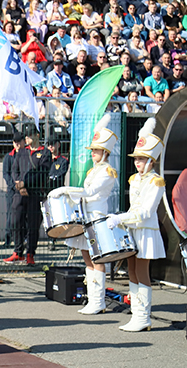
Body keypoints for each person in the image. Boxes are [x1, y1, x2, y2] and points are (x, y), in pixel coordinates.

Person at [50, 114, 117, 314]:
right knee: (87, 258)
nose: (92, 153)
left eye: (96, 150)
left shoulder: (107, 172)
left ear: (105, 152)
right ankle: (93, 300)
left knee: (97, 260)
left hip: (96, 218)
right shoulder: (93, 171)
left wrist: (65, 189)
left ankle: (99, 302)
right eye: (93, 150)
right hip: (85, 218)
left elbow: (89, 193)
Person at [107, 118, 166, 332]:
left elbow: (146, 212)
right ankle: (136, 315)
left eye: (142, 159)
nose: (137, 162)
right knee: (131, 270)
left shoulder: (156, 181)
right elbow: (133, 209)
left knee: (142, 272)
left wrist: (121, 218)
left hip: (146, 231)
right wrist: (122, 219)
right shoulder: (135, 179)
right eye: (136, 159)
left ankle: (144, 317)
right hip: (133, 230)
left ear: (151, 160)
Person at [5, 124, 52, 265]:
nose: (27, 137)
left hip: (35, 193)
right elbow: (15, 170)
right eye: (26, 135)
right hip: (20, 193)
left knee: (33, 225)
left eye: (30, 134)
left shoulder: (45, 153)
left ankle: (30, 253)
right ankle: (17, 251)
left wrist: (25, 184)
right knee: (15, 221)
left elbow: (42, 173)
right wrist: (18, 185)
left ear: (37, 135)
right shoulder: (22, 152)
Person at [3, 132, 25, 248]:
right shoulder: (9, 157)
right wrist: (13, 185)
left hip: (24, 189)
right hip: (12, 190)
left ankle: (23, 239)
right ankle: (8, 239)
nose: (17, 144)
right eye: (15, 142)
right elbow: (5, 174)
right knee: (10, 215)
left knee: (24, 216)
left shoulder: (26, 155)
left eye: (19, 142)